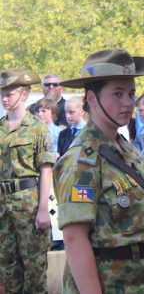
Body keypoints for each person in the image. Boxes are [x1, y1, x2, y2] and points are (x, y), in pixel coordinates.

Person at [54, 49, 144, 293]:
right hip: (110, 285)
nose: (127, 102)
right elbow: (74, 239)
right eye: (117, 94)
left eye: (131, 93)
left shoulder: (125, 149)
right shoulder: (82, 159)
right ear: (91, 99)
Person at [0, 68, 54, 293]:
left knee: (34, 269)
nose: (4, 98)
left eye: (9, 93)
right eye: (2, 93)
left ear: (24, 95)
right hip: (3, 207)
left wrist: (43, 209)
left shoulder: (37, 128)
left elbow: (46, 170)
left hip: (28, 205)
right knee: (7, 268)